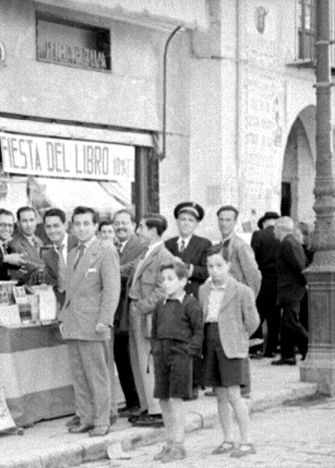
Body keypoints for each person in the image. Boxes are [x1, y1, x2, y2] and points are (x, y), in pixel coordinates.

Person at [59, 206, 120, 437]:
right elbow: (68, 291)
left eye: (87, 223)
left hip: (94, 324)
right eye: (77, 224)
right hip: (75, 323)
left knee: (98, 375)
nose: (82, 228)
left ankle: (102, 420)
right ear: (72, 227)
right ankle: (85, 417)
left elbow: (112, 289)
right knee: (80, 375)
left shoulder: (105, 250)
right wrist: (63, 317)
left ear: (96, 226)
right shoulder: (73, 253)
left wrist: (105, 319)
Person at [199, 245, 260, 458]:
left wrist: (239, 339)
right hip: (211, 343)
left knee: (234, 395)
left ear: (228, 265)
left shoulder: (242, 291)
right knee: (220, 395)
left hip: (232, 347)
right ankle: (227, 439)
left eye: (219, 265)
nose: (214, 270)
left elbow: (252, 321)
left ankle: (247, 440)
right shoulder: (204, 290)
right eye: (210, 266)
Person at [151, 260, 203, 463]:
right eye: (163, 279)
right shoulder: (160, 305)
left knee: (176, 398)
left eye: (171, 279)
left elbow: (198, 332)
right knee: (163, 398)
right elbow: (155, 331)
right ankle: (169, 442)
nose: (166, 283)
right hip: (161, 353)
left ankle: (179, 444)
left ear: (183, 281)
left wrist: (189, 351)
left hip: (180, 353)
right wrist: (155, 349)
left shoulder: (190, 304)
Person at [127, 213, 174, 427]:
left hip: (148, 315)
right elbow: (130, 270)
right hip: (138, 313)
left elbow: (164, 288)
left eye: (142, 228)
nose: (138, 231)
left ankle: (156, 411)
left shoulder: (163, 256)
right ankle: (147, 407)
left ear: (154, 231)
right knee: (139, 360)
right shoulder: (147, 253)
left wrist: (142, 306)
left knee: (149, 363)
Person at [165, 201, 211, 399]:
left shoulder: (203, 244)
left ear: (196, 224)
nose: (185, 223)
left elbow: (207, 270)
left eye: (190, 220)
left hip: (191, 297)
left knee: (192, 342)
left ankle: (193, 384)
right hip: (172, 298)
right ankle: (176, 384)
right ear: (177, 221)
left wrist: (188, 268)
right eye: (182, 219)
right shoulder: (168, 244)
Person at [217, 205, 261, 397]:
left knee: (241, 346)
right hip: (224, 302)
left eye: (228, 220)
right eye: (221, 219)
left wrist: (248, 302)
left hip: (237, 302)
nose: (224, 223)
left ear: (235, 222)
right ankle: (230, 384)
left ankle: (244, 388)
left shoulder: (240, 246)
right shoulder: (221, 245)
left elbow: (254, 275)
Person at [112, 209, 144, 417]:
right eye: (117, 223)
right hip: (116, 313)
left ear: (133, 224)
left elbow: (133, 270)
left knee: (130, 359)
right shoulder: (114, 247)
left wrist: (108, 270)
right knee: (121, 358)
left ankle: (138, 402)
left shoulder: (140, 247)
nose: (121, 227)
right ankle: (131, 400)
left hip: (130, 312)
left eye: (125, 223)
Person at [272, 216, 309, 366]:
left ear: (280, 228)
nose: (273, 231)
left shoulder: (287, 243)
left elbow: (299, 265)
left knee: (291, 321)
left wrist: (305, 282)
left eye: (275, 228)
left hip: (292, 289)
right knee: (286, 323)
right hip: (291, 289)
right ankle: (288, 355)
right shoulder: (291, 242)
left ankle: (309, 349)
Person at [250, 211, 281, 358]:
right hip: (280, 280)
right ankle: (271, 349)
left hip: (264, 279)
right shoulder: (283, 235)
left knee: (257, 313)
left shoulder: (258, 235)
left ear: (264, 223)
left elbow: (253, 257)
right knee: (274, 316)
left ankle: (256, 347)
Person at [43, 208, 78, 308]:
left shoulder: (79, 243)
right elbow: (55, 285)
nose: (52, 230)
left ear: (66, 225)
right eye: (48, 227)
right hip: (65, 308)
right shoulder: (48, 256)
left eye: (56, 225)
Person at [9, 206, 45, 285]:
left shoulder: (39, 242)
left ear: (36, 221)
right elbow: (14, 278)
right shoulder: (14, 245)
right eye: (24, 221)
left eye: (31, 220)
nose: (29, 224)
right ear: (18, 223)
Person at [0, 208, 26, 280]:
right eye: (2, 225)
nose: (7, 229)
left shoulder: (6, 245)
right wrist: (6, 258)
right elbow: (6, 260)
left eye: (10, 225)